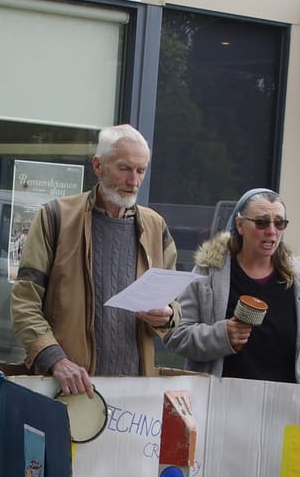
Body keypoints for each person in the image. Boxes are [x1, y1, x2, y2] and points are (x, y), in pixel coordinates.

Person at [11, 124, 179, 396]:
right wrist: (56, 360)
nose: (134, 181)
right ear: (98, 166)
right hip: (68, 388)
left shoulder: (156, 226)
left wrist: (167, 315)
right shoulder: (56, 217)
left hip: (135, 395)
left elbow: (173, 304)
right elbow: (24, 302)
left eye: (141, 170)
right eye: (124, 168)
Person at [167, 188, 300, 385]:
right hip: (220, 403)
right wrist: (223, 335)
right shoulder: (208, 274)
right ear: (240, 225)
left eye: (279, 223)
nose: (271, 231)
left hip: (285, 408)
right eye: (261, 222)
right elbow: (178, 334)